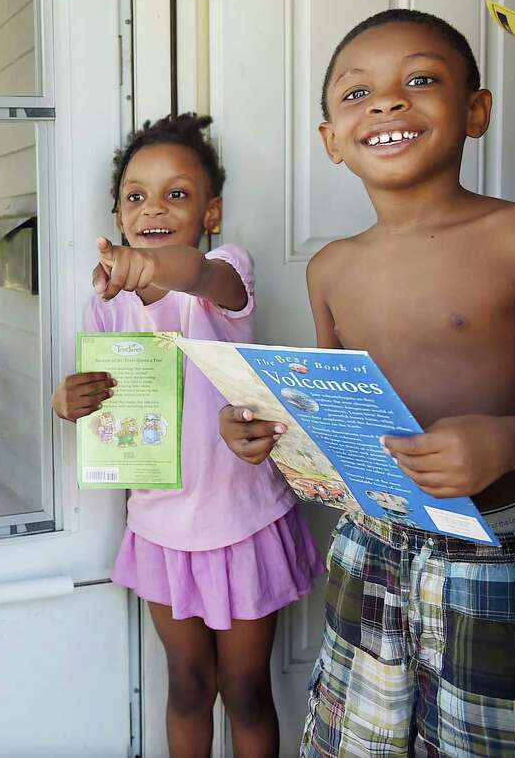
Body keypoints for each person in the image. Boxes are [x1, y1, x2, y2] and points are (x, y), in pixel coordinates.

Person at [219, 9, 515, 756]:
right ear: (332, 140)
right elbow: (341, 424)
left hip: (496, 558)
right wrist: (270, 431)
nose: (389, 103)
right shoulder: (332, 268)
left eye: (421, 80)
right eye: (357, 94)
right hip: (371, 549)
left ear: (477, 110)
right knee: (355, 739)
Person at [52, 114, 325, 757]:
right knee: (186, 688)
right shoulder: (105, 302)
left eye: (177, 194)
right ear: (117, 214)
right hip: (161, 529)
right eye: (136, 195)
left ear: (212, 212)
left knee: (247, 689)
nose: (154, 207)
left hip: (244, 523)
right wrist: (71, 402)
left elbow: (195, 275)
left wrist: (148, 264)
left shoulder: (225, 272)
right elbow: (113, 411)